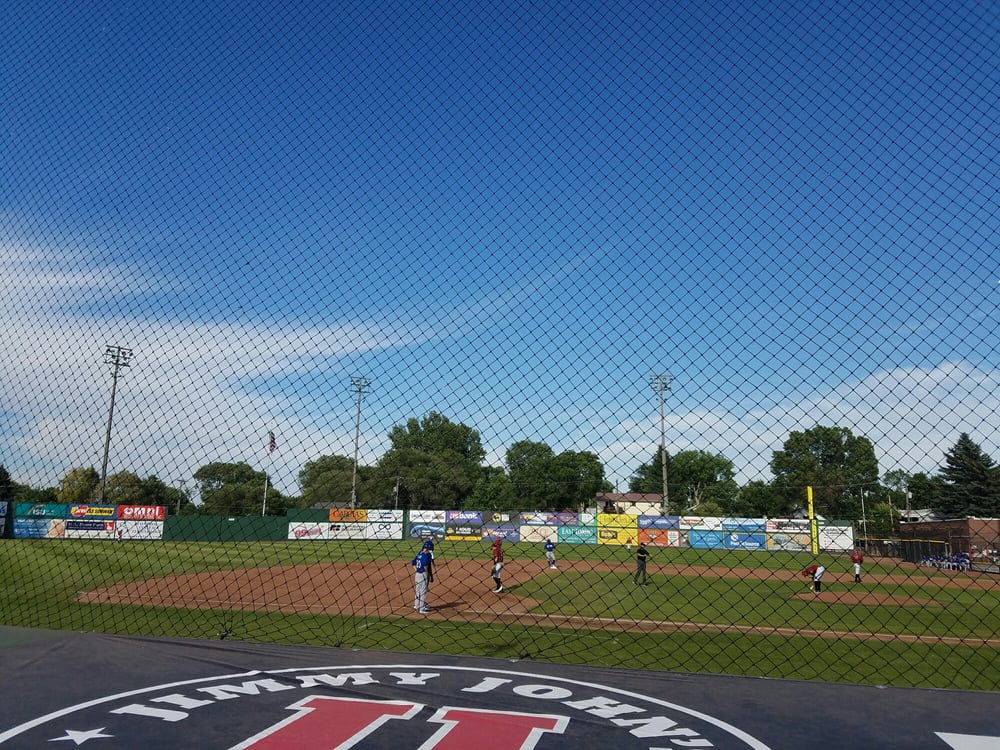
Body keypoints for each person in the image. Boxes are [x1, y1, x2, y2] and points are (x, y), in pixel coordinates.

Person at [411, 544, 432, 613]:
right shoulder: (425, 556)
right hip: (423, 574)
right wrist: (427, 575)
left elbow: (413, 563)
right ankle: (421, 608)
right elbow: (425, 567)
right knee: (423, 591)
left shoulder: (419, 554)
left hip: (417, 574)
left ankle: (416, 606)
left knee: (417, 591)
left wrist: (417, 570)